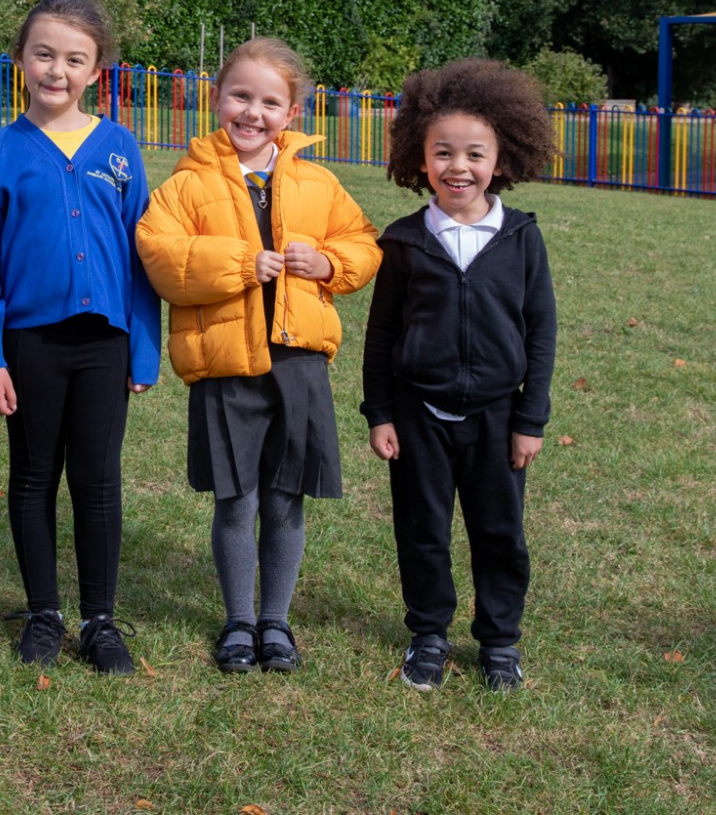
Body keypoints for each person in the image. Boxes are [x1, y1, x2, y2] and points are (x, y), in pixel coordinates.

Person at [136, 38, 381, 674]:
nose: (253, 112)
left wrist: (326, 262)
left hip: (299, 362)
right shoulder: (186, 184)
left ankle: (276, 621)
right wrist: (242, 264)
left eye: (270, 102)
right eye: (240, 96)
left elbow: (363, 244)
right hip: (225, 364)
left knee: (285, 496)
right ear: (217, 98)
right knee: (236, 498)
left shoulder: (318, 183)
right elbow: (161, 256)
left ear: (292, 113)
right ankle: (238, 623)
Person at [0, 0, 161, 674]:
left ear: (96, 70)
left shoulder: (120, 147)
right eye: (44, 54)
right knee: (33, 475)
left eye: (74, 59)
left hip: (104, 343)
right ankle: (44, 612)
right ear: (20, 59)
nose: (57, 70)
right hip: (30, 345)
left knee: (98, 480)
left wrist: (143, 345)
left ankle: (99, 619)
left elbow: (142, 253)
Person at [361, 58, 557, 693]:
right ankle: (428, 635)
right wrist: (380, 412)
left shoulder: (521, 237)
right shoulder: (403, 241)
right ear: (419, 159)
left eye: (475, 154)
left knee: (499, 534)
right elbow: (381, 336)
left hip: (498, 417)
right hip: (418, 415)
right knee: (422, 532)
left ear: (501, 159)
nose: (458, 167)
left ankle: (499, 643)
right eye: (442, 152)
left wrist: (530, 420)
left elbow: (542, 332)